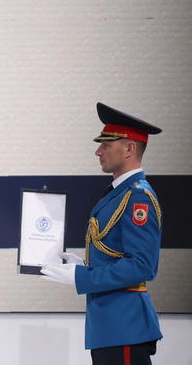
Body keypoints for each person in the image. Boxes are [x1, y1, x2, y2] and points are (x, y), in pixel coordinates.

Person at [41, 103, 163, 365]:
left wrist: (81, 276)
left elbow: (142, 265)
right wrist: (85, 265)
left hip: (125, 325)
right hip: (110, 327)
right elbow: (116, 254)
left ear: (129, 149)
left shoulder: (137, 197)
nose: (98, 151)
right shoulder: (119, 193)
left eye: (106, 145)